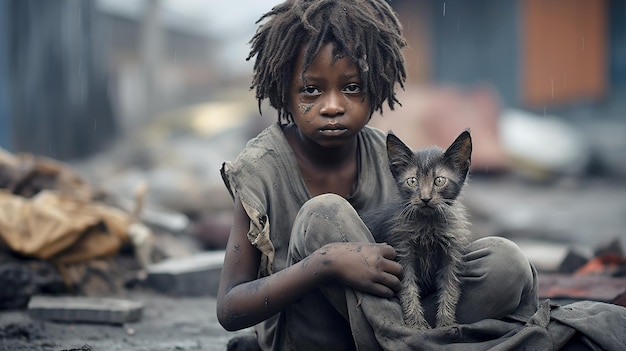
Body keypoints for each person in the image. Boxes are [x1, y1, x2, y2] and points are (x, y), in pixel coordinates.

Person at [217, 1, 626, 350]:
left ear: (377, 89)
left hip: (399, 320)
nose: (332, 106)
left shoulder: (390, 154)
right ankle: (417, 344)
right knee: (324, 213)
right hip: (312, 336)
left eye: (352, 87)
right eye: (311, 90)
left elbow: (445, 232)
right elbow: (230, 309)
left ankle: (414, 340)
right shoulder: (260, 168)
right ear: (282, 91)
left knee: (507, 262)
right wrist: (323, 264)